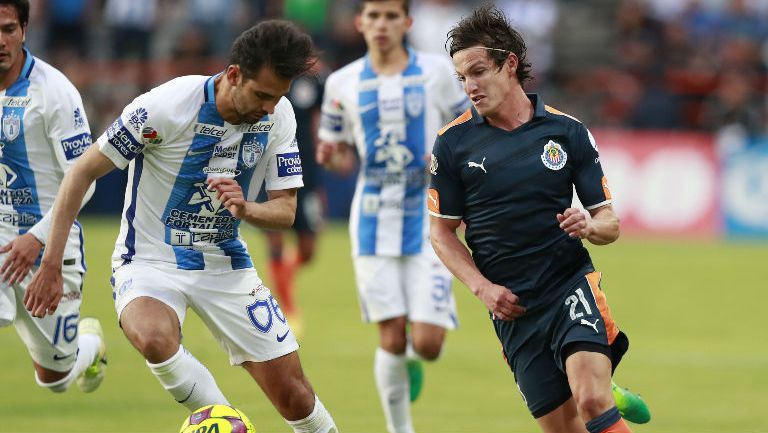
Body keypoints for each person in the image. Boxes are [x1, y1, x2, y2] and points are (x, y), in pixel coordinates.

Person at [24, 20, 338, 433]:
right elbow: (82, 172)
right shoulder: (164, 106)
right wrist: (50, 261)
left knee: (294, 396)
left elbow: (286, 211)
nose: (268, 106)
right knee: (154, 338)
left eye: (276, 96)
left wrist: (246, 209)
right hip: (149, 259)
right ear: (233, 75)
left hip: (226, 265)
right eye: (262, 94)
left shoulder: (278, 116)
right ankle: (229, 423)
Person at [428, 5, 650, 433]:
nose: (470, 87)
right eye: (462, 78)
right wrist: (483, 288)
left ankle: (598, 384)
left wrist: (587, 224)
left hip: (567, 284)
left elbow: (610, 222)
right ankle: (604, 384)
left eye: (478, 72)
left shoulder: (567, 133)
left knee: (591, 400)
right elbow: (441, 232)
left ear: (509, 64)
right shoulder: (453, 144)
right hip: (513, 307)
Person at [316, 1, 468, 432]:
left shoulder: (437, 72)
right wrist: (333, 156)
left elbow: (471, 129)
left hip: (430, 221)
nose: (382, 24)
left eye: (390, 16)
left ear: (407, 22)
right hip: (371, 222)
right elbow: (342, 158)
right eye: (374, 16)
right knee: (390, 335)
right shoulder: (342, 83)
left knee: (428, 342)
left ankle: (414, 362)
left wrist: (443, 155)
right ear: (360, 22)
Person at [0, 0, 106, 395]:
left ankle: (89, 345)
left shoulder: (54, 93)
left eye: (8, 28)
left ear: (24, 30)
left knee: (56, 379)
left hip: (47, 241)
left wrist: (40, 241)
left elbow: (88, 179)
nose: (1, 40)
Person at [261, 61, 328, 338]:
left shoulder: (314, 82)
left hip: (307, 175)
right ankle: (289, 309)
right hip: (270, 170)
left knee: (309, 250)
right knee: (275, 241)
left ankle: (285, 275)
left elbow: (322, 119)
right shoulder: (265, 78)